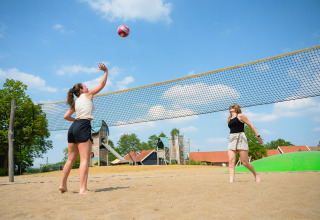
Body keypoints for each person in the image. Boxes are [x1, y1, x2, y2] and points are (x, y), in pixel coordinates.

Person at [59, 63, 108, 194]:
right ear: (81, 90)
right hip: (83, 126)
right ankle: (83, 189)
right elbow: (102, 85)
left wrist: (76, 121)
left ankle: (63, 185)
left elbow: (66, 116)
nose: (88, 87)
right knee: (85, 160)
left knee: (70, 159)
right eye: (85, 86)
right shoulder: (88, 95)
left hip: (73, 128)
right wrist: (105, 71)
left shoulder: (76, 102)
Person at [227, 104, 263, 183]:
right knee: (231, 161)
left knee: (244, 162)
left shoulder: (241, 116)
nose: (230, 107)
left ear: (236, 108)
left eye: (232, 106)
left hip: (241, 138)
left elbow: (251, 125)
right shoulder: (229, 119)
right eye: (230, 106)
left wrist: (258, 136)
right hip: (232, 139)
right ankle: (231, 181)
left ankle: (256, 175)